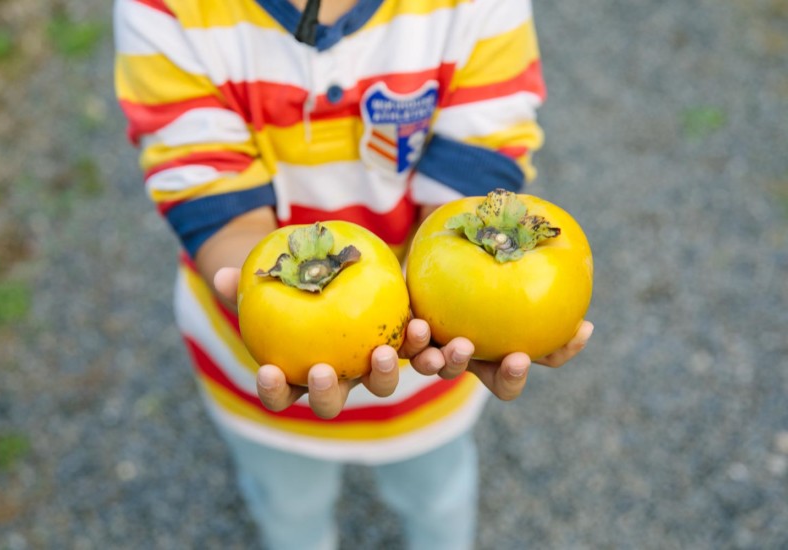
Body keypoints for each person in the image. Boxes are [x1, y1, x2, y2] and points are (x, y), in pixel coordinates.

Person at [113, 0, 594, 548]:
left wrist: (483, 309)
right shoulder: (166, 10)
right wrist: (254, 283)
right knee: (289, 509)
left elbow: (478, 162)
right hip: (259, 366)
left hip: (428, 373)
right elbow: (209, 192)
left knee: (437, 496)